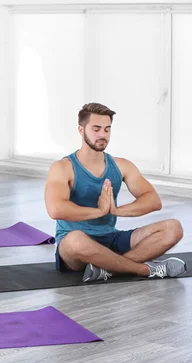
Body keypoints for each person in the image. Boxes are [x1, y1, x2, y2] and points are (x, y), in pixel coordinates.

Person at [44, 102, 186, 282]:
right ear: (81, 129)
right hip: (76, 246)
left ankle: (109, 269)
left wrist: (116, 210)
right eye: (96, 129)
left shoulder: (121, 165)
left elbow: (153, 200)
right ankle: (143, 269)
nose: (103, 135)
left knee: (173, 228)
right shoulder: (63, 167)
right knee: (75, 240)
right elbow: (55, 209)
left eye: (107, 129)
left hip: (111, 238)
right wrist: (99, 211)